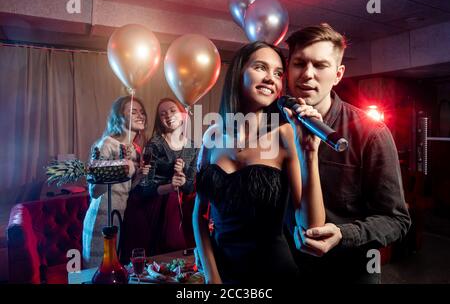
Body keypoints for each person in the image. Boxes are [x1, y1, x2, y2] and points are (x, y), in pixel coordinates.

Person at [284, 23, 411, 283]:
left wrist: (344, 234)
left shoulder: (370, 132)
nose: (307, 74)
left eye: (320, 65)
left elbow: (397, 220)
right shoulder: (274, 125)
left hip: (347, 274)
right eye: (299, 63)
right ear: (288, 68)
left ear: (338, 74)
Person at [193, 41, 326, 284]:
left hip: (274, 273)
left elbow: (310, 226)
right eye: (260, 67)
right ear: (238, 73)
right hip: (222, 272)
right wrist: (213, 277)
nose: (270, 78)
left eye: (277, 73)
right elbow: (199, 215)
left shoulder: (285, 135)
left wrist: (310, 154)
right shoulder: (212, 136)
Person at [120, 98, 199, 263]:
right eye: (163, 114)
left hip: (179, 212)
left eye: (172, 110)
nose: (168, 116)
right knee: (153, 262)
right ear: (159, 120)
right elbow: (144, 187)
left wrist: (183, 181)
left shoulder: (193, 147)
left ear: (183, 114)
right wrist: (171, 186)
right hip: (149, 209)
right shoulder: (155, 144)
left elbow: (190, 187)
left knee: (179, 260)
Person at [82, 95, 149, 268]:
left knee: (114, 268)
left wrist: (138, 176)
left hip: (119, 216)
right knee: (97, 270)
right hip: (101, 216)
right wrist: (120, 166)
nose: (140, 115)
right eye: (133, 111)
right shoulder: (107, 144)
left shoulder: (135, 151)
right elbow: (95, 191)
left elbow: (123, 188)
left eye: (142, 112)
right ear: (119, 116)